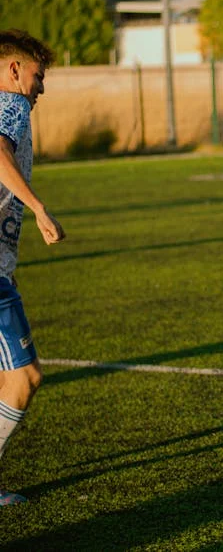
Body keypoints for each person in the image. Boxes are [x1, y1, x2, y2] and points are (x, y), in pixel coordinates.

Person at [0, 30, 66, 506]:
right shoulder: (11, 104)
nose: (40, 88)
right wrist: (38, 207)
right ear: (14, 70)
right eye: (38, 77)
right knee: (23, 379)